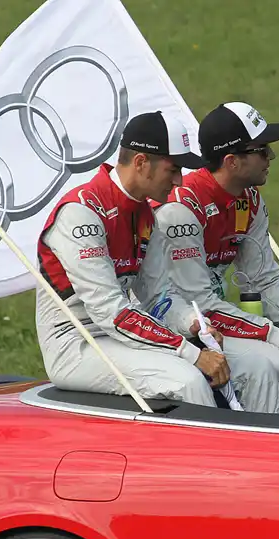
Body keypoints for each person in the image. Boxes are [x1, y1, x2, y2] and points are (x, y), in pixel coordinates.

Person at [147, 101, 279, 425]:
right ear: (232, 161)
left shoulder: (249, 200)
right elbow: (199, 304)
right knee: (269, 361)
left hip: (219, 322)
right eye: (262, 150)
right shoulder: (181, 211)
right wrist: (276, 337)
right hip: (181, 327)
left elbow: (264, 279)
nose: (271, 157)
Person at [35, 111, 229, 406]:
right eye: (173, 169)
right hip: (76, 343)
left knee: (226, 366)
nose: (179, 180)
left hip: (116, 335)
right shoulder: (80, 214)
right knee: (187, 379)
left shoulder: (144, 213)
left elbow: (158, 297)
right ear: (141, 163)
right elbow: (111, 312)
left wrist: (193, 323)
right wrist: (191, 353)